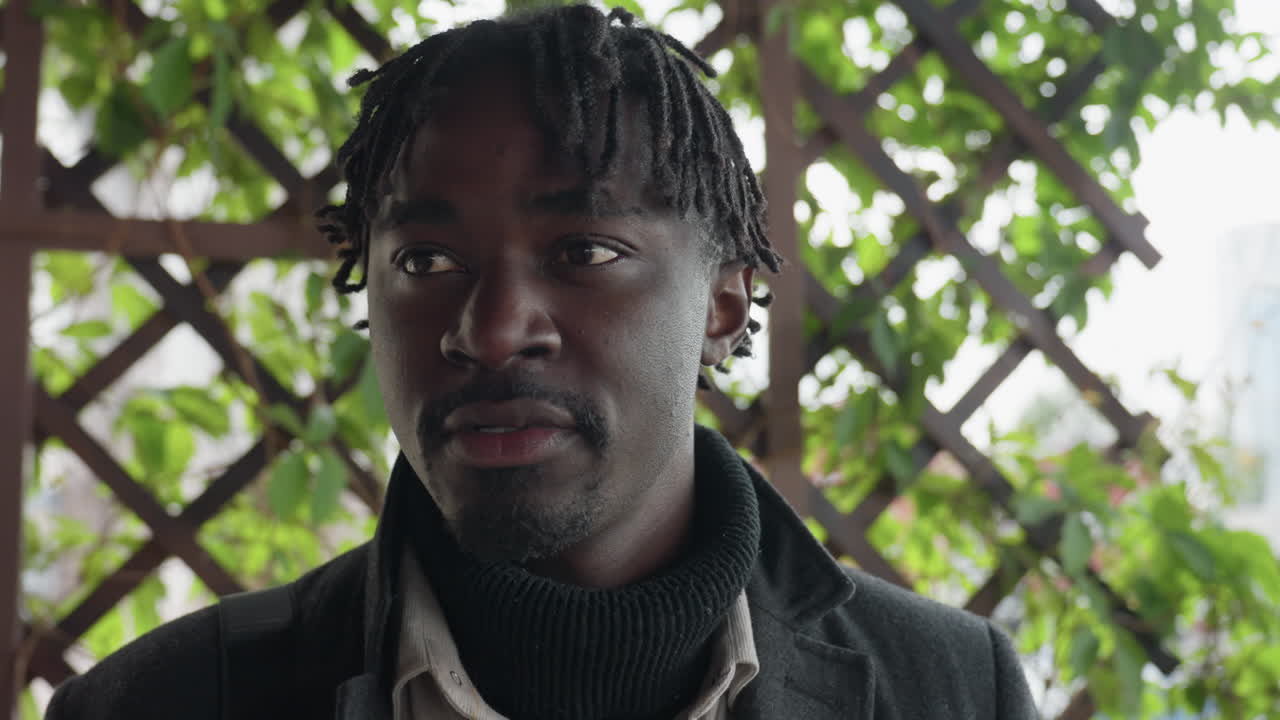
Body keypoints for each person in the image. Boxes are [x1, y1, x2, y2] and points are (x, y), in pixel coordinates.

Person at [46, 5, 1036, 719]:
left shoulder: (951, 691)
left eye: (584, 252)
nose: (490, 330)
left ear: (725, 304)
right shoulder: (164, 702)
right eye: (426, 262)